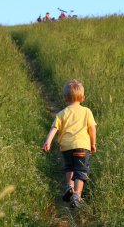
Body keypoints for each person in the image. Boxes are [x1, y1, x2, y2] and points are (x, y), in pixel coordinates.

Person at [41, 79, 97, 208]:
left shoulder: (62, 113)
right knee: (81, 170)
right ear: (83, 98)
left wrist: (47, 142)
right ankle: (77, 195)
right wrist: (93, 143)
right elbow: (92, 129)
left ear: (65, 98)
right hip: (82, 146)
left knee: (69, 167)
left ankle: (69, 186)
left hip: (66, 147)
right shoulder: (87, 111)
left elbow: (54, 128)